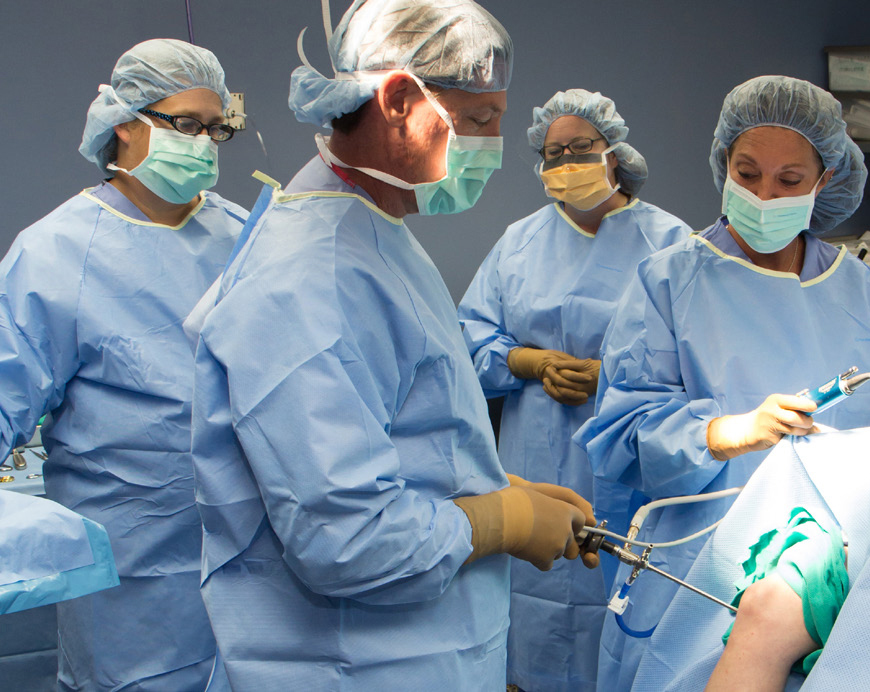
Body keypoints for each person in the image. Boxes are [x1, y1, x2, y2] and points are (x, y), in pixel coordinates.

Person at [184, 1, 596, 689]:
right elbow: (344, 539)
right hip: (353, 667)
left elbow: (403, 430)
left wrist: (497, 486)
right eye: (482, 119)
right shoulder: (308, 276)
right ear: (402, 99)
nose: (493, 144)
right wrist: (502, 519)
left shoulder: (373, 233)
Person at [574, 75, 870, 691]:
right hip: (705, 570)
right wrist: (727, 432)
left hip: (833, 565)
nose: (765, 194)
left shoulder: (855, 285)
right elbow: (620, 436)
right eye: (747, 173)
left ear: (825, 181)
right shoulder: (668, 282)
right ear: (723, 165)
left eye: (789, 181)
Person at [0, 39, 246, 690]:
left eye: (217, 129)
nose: (205, 144)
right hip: (133, 594)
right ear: (124, 123)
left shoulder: (248, 240)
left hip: (258, 573)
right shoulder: (55, 253)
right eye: (186, 125)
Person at [458, 89, 692, 692]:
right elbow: (467, 336)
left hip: (623, 464)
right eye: (552, 151)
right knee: (528, 598)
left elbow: (695, 360)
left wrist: (610, 377)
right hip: (531, 455)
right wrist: (526, 361)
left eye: (580, 148)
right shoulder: (519, 242)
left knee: (618, 591)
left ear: (613, 151)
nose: (566, 162)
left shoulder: (669, 244)